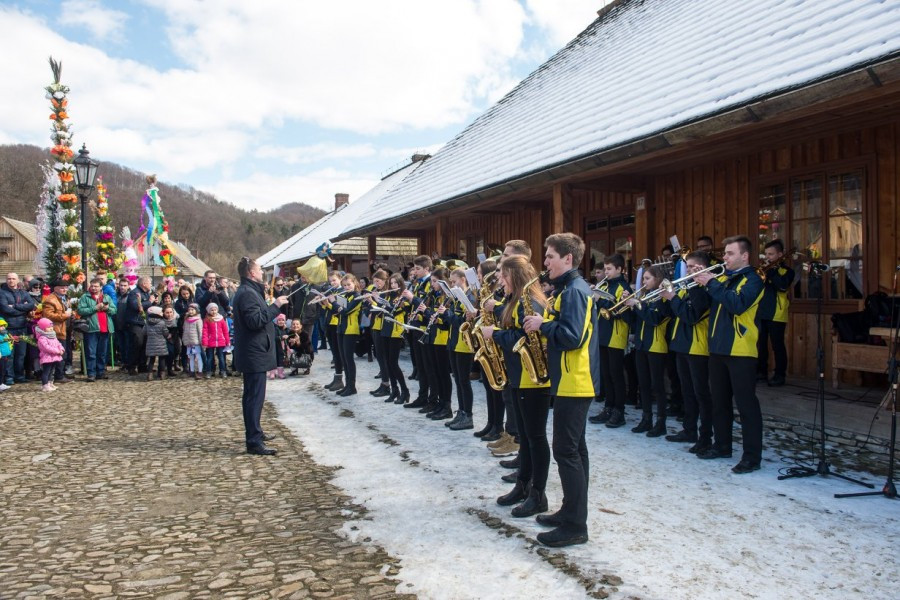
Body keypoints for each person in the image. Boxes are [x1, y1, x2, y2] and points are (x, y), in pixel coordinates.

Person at [523, 233, 599, 548]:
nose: (546, 262)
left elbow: (572, 337)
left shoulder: (575, 292)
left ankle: (575, 525)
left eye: (550, 256)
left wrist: (543, 325)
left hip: (576, 380)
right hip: (570, 379)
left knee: (566, 451)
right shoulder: (568, 290)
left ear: (568, 259)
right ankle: (570, 510)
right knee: (575, 450)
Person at [485, 255, 552, 517]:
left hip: (533, 377)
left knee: (535, 437)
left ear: (515, 275)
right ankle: (523, 485)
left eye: (503, 274)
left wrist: (497, 335)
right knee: (525, 436)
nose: (500, 279)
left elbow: (528, 336)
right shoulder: (515, 300)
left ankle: (538, 493)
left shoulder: (530, 300)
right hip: (519, 374)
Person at [693, 235, 765, 474]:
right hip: (718, 348)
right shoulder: (723, 278)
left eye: (730, 253)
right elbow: (702, 307)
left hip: (741, 350)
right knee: (719, 402)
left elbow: (738, 304)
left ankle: (752, 457)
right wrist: (696, 283)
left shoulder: (753, 279)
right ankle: (722, 445)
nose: (724, 257)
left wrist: (712, 283)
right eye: (724, 253)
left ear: (744, 255)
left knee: (746, 406)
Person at [232, 256, 289, 455]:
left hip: (254, 351)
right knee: (254, 397)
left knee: (254, 396)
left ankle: (256, 431)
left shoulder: (250, 290)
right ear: (251, 273)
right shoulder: (247, 293)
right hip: (253, 353)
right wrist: (276, 306)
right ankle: (254, 441)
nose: (262, 272)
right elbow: (255, 321)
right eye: (259, 269)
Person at [660, 251, 713, 452]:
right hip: (681, 344)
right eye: (687, 267)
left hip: (698, 347)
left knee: (701, 394)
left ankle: (706, 436)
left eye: (692, 267)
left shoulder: (705, 289)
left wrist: (673, 297)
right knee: (687, 392)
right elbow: (672, 314)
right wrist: (666, 298)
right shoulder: (686, 288)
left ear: (702, 268)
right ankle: (689, 429)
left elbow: (691, 316)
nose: (688, 271)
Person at [627, 265, 670, 437]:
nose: (643, 282)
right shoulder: (644, 297)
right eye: (643, 278)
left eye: (647, 278)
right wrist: (630, 308)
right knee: (643, 384)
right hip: (641, 344)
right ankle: (646, 418)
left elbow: (655, 320)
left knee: (657, 386)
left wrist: (638, 306)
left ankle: (661, 422)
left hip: (656, 346)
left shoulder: (663, 298)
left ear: (657, 279)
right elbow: (635, 322)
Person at [590, 254, 631, 428]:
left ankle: (619, 411)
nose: (605, 272)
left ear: (619, 270)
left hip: (616, 334)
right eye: (604, 269)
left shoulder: (622, 286)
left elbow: (620, 311)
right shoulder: (605, 285)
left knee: (616, 374)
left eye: (609, 269)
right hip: (603, 333)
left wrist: (600, 301)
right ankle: (608, 407)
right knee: (606, 374)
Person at [757, 239, 794, 387]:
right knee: (761, 345)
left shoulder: (788, 271)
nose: (767, 257)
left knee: (777, 345)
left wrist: (771, 272)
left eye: (771, 254)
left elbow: (783, 286)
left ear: (780, 254)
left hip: (777, 313)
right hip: (761, 311)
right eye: (766, 254)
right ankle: (761, 372)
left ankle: (779, 374)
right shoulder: (764, 270)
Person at [444, 268, 476, 429]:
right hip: (453, 342)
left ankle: (468, 415)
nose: (452, 284)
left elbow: (461, 321)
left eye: (454, 281)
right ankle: (461, 412)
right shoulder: (456, 297)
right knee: (457, 380)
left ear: (463, 279)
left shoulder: (468, 297)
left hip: (463, 344)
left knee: (463, 381)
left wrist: (446, 314)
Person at [401, 256, 435, 409]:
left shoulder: (430, 283)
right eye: (414, 268)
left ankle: (431, 399)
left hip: (424, 327)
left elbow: (425, 304)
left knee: (428, 366)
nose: (414, 271)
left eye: (418, 268)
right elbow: (414, 305)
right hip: (415, 327)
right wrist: (405, 303)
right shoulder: (417, 283)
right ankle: (422, 396)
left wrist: (412, 298)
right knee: (419, 365)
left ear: (427, 269)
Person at [77, 277, 117, 382]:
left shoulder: (106, 297)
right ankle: (91, 373)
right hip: (91, 328)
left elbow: (114, 310)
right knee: (91, 352)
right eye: (92, 286)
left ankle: (101, 372)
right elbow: (80, 310)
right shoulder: (85, 297)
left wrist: (107, 308)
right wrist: (94, 308)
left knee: (102, 352)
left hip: (105, 328)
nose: (94, 288)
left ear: (101, 287)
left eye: (96, 286)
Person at [0, 272, 37, 384]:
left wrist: (15, 306)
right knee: (10, 354)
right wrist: (23, 310)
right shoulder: (2, 293)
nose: (11, 281)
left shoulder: (23, 293)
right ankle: (9, 377)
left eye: (13, 279)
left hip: (22, 327)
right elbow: (6, 309)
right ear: (6, 280)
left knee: (21, 354)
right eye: (9, 278)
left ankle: (19, 375)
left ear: (17, 280)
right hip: (9, 327)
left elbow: (31, 305)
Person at [380, 273, 411, 404]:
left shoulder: (403, 297)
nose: (393, 286)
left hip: (396, 331)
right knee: (387, 362)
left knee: (393, 362)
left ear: (400, 284)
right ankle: (394, 390)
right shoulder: (388, 295)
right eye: (391, 283)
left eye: (395, 283)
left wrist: (390, 306)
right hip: (386, 329)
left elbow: (399, 311)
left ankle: (405, 391)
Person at [333, 273, 363, 397]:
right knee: (343, 358)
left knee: (349, 359)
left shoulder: (357, 296)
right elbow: (338, 311)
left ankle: (352, 386)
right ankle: (347, 385)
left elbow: (345, 311)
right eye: (344, 285)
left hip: (351, 329)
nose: (346, 287)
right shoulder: (345, 296)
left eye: (349, 284)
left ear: (354, 284)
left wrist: (334, 304)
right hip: (341, 328)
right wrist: (328, 304)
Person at [42, 280, 73, 384]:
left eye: (66, 287)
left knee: (65, 352)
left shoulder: (65, 298)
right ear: (55, 288)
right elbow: (48, 316)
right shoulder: (50, 300)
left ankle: (61, 373)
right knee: (59, 353)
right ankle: (58, 375)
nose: (64, 289)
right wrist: (66, 315)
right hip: (56, 330)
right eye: (61, 287)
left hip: (66, 328)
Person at [366, 270, 392, 397]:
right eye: (374, 281)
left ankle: (387, 385)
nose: (376, 284)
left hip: (384, 327)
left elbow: (384, 310)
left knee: (383, 356)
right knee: (379, 355)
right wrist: (368, 304)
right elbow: (367, 308)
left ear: (384, 280)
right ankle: (384, 383)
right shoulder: (375, 291)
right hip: (375, 326)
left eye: (378, 281)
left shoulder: (388, 293)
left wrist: (373, 301)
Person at [124, 277, 155, 375]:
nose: (151, 285)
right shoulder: (135, 293)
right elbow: (135, 306)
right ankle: (132, 366)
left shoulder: (147, 293)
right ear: (144, 284)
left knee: (145, 344)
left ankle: (142, 365)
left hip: (145, 322)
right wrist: (149, 302)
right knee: (137, 343)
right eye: (150, 283)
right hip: (135, 322)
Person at [322, 271, 345, 391]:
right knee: (334, 352)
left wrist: (329, 304)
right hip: (329, 323)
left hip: (337, 323)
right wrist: (323, 302)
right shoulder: (331, 291)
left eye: (334, 280)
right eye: (331, 281)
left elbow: (339, 310)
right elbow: (326, 308)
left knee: (337, 352)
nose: (332, 283)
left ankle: (339, 379)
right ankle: (336, 378)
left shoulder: (342, 292)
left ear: (340, 279)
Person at [35, 317, 64, 392]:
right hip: (47, 358)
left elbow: (58, 343)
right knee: (46, 371)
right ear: (43, 328)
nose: (51, 328)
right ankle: (45, 385)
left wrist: (61, 349)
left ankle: (50, 382)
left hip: (54, 357)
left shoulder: (53, 336)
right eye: (48, 327)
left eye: (51, 327)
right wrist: (57, 351)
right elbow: (46, 348)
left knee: (52, 371)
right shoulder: (42, 338)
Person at [202, 303, 230, 379]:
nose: (214, 311)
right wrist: (205, 342)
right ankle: (209, 371)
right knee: (210, 358)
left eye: (215, 310)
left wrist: (227, 341)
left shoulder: (221, 319)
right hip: (210, 341)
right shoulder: (207, 320)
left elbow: (225, 331)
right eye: (212, 310)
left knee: (221, 357)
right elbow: (205, 332)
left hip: (221, 341)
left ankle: (223, 371)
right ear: (208, 311)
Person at [144, 305, 171, 381]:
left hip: (150, 344)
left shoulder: (147, 323)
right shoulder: (162, 323)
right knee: (162, 359)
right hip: (161, 344)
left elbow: (144, 332)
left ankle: (150, 374)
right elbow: (165, 333)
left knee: (151, 360)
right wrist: (168, 335)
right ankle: (162, 374)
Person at [182, 303, 204, 379]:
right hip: (189, 342)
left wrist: (201, 341)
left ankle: (200, 371)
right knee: (190, 357)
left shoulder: (198, 320)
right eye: (189, 310)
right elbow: (184, 330)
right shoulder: (186, 320)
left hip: (196, 342)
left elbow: (200, 331)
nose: (190, 311)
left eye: (192, 310)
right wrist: (184, 340)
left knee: (198, 357)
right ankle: (191, 371)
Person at [270, 313, 288, 380]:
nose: (281, 321)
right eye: (279, 320)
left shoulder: (285, 329)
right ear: (276, 321)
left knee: (281, 359)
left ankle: (280, 373)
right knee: (274, 359)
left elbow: (288, 334)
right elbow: (273, 337)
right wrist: (281, 337)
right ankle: (272, 372)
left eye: (282, 320)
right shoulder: (275, 328)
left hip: (282, 347)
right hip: (274, 347)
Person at [163, 306, 180, 377]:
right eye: (167, 313)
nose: (169, 314)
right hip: (165, 338)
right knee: (169, 352)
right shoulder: (162, 321)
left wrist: (172, 334)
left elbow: (178, 328)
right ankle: (168, 369)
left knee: (177, 350)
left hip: (175, 337)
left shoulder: (176, 319)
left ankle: (174, 364)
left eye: (170, 312)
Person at [0, 318, 11, 391]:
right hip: (1, 355)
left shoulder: (5, 334)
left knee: (3, 369)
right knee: (0, 370)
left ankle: (1, 383)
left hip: (5, 355)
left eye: (4, 325)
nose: (3, 327)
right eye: (1, 326)